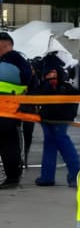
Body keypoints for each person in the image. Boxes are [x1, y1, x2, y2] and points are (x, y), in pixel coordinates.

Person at [33, 50, 80, 187]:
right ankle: (49, 176)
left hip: (52, 112)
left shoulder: (50, 63)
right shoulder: (69, 62)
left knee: (60, 141)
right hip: (63, 111)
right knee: (52, 141)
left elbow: (46, 89)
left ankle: (74, 174)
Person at [0, 31, 34, 189]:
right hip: (9, 111)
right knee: (9, 143)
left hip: (6, 111)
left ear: (7, 44)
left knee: (8, 144)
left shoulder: (11, 62)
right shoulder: (18, 61)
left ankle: (13, 177)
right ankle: (13, 176)